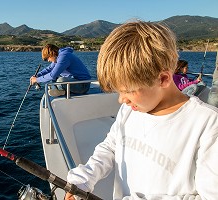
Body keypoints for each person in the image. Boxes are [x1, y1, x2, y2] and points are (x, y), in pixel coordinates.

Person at [65, 20, 218, 200]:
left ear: (162, 79)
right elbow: (110, 147)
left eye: (128, 91)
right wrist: (83, 179)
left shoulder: (207, 123)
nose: (121, 99)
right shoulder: (128, 111)